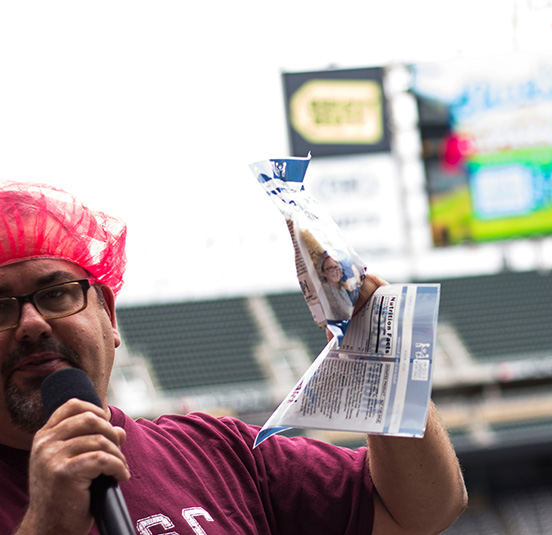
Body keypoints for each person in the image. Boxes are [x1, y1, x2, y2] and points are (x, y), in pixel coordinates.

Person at [0, 181, 467, 534]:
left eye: (57, 294)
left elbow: (420, 511)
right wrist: (48, 524)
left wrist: (380, 355)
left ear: (109, 315)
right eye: (0, 307)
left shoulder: (218, 452)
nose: (32, 323)